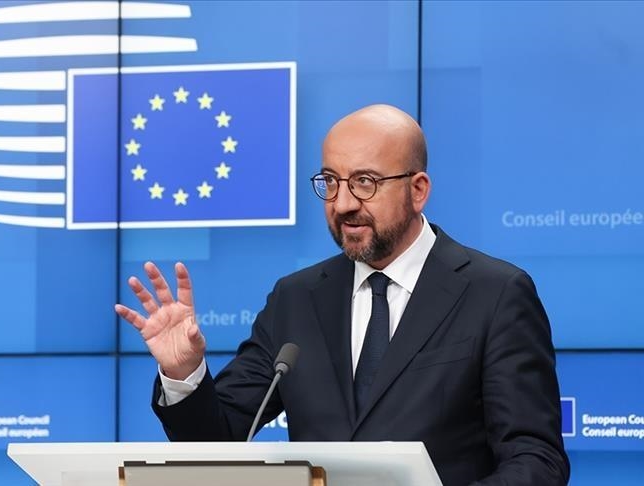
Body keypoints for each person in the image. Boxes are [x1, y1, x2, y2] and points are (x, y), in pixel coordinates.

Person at [115, 104, 570, 485]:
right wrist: (184, 373)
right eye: (331, 182)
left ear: (417, 190)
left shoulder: (495, 293)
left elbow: (536, 461)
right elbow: (218, 442)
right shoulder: (296, 298)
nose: (344, 203)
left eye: (365, 182)